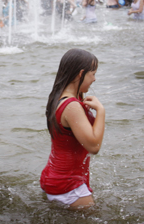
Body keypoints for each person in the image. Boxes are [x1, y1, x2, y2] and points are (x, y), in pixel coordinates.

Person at [40, 48, 105, 208]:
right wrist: (101, 111)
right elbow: (94, 146)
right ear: (80, 74)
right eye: (93, 73)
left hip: (55, 177)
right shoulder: (72, 107)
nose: (95, 79)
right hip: (68, 185)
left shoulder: (59, 97)